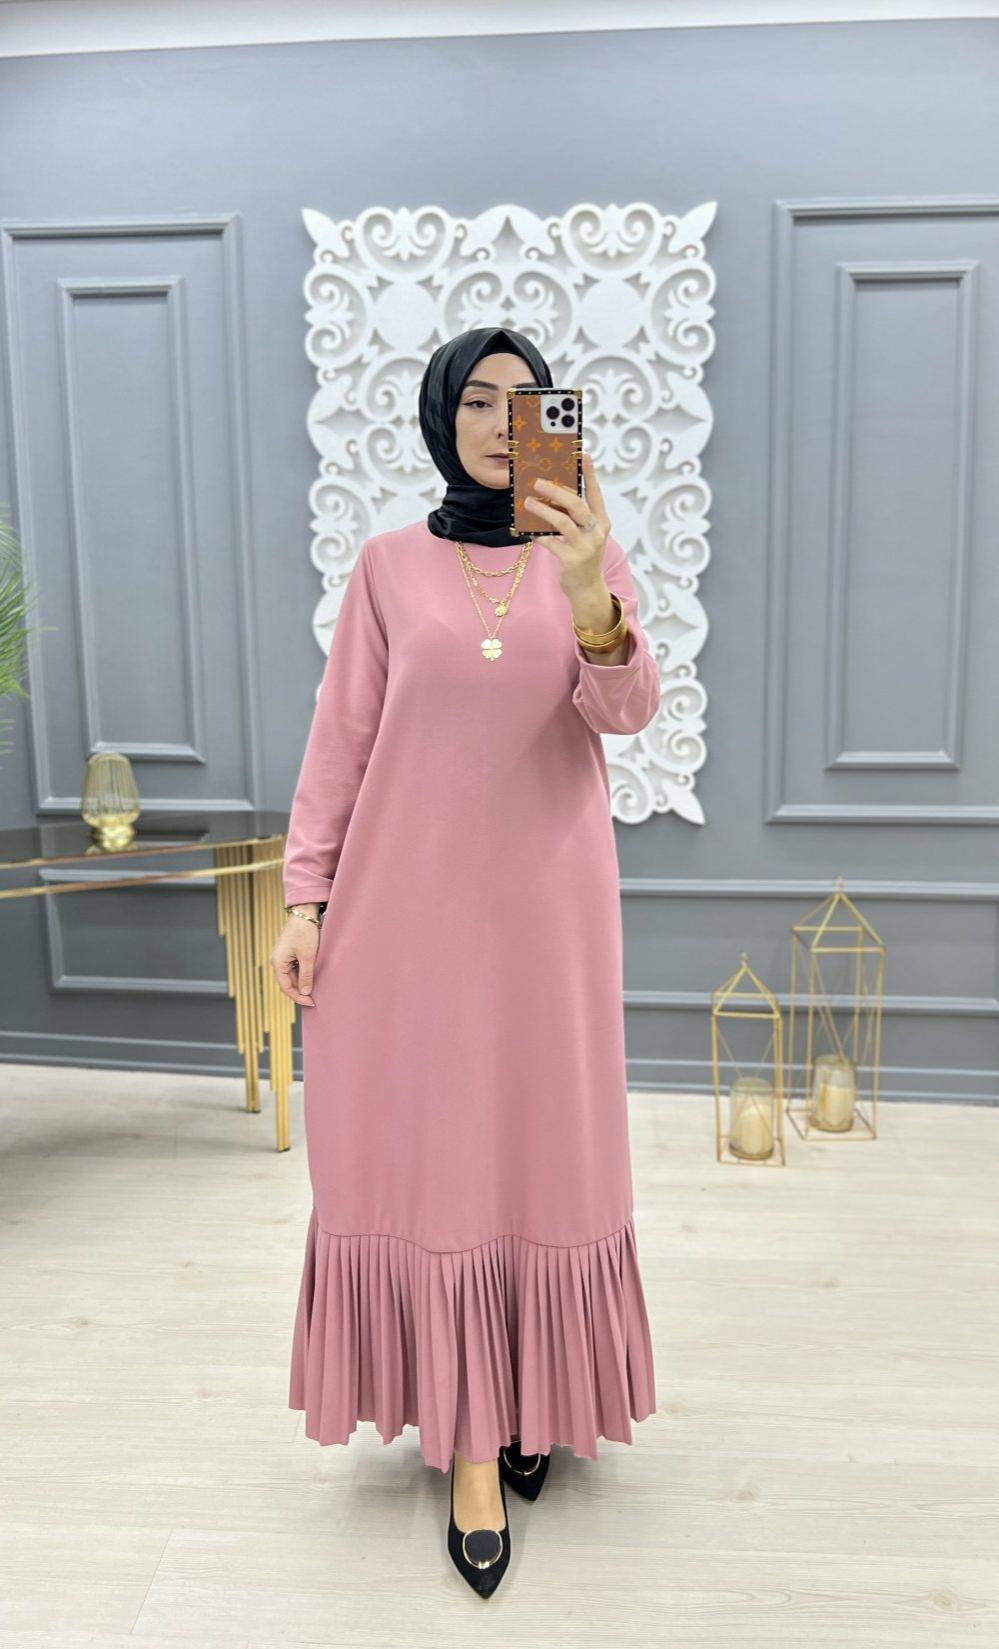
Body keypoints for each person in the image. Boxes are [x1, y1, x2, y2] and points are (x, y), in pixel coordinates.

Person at [270, 325, 660, 1598]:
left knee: (545, 1150)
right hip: (408, 918)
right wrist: (306, 899)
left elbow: (627, 711)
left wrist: (591, 587)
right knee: (436, 1157)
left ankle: (535, 1392)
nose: (502, 422)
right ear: (442, 418)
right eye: (478, 400)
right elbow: (342, 739)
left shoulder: (586, 552)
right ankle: (473, 1445)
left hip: (549, 919)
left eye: (525, 400)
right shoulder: (387, 567)